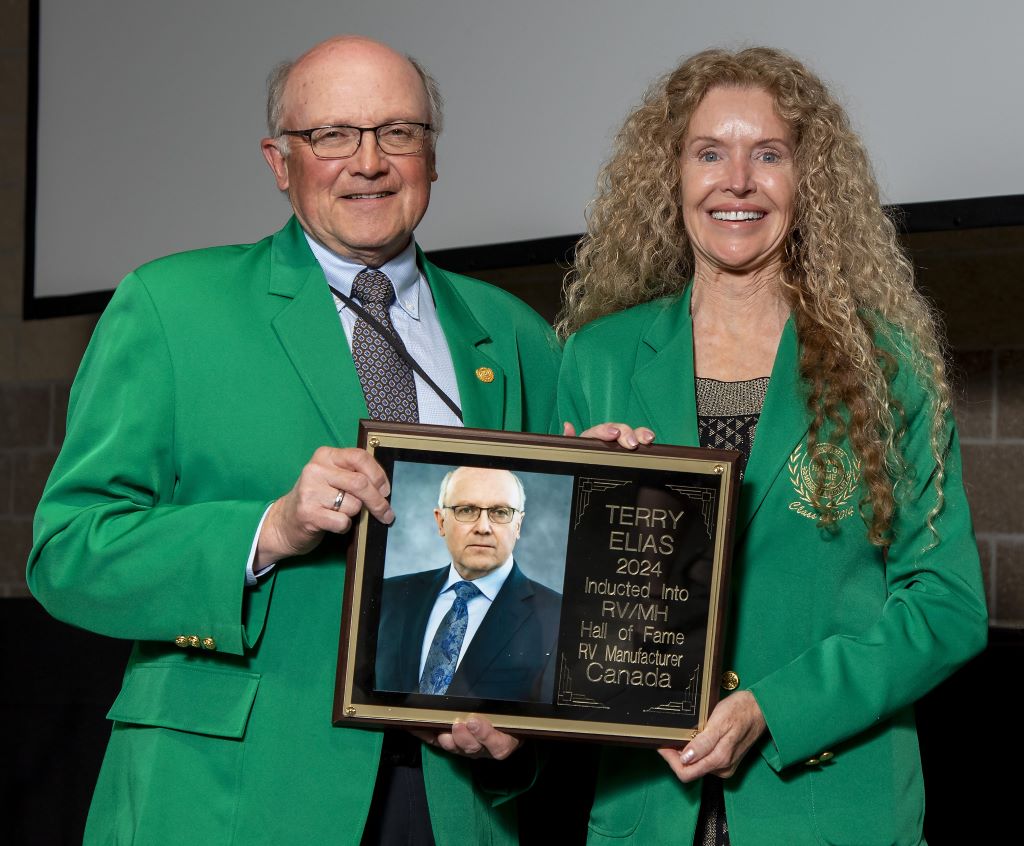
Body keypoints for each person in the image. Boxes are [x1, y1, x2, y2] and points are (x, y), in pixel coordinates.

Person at [27, 35, 561, 846]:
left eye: (398, 133)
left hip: (457, 800)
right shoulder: (173, 307)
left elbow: (550, 572)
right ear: (281, 162)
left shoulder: (514, 334)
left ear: (433, 157)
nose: (368, 162)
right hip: (233, 796)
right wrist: (266, 530)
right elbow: (67, 554)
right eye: (333, 135)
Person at [556, 47, 987, 845]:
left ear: (808, 180)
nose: (738, 181)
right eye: (709, 152)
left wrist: (774, 707)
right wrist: (581, 513)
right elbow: (552, 609)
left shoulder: (885, 366)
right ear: (672, 176)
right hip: (648, 809)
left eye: (770, 154)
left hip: (833, 805)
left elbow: (947, 606)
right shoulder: (599, 361)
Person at [376, 466, 561, 702]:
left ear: (518, 525)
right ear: (441, 521)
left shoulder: (558, 617)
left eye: (500, 512)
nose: (483, 528)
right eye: (466, 510)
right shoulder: (388, 595)